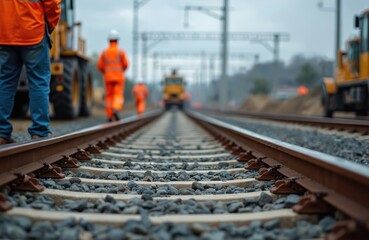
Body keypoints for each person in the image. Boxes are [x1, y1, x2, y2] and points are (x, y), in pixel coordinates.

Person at [0, 0, 61, 144]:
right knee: (39, 83)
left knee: (4, 84)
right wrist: (49, 26)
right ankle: (39, 132)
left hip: (5, 33)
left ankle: (1, 133)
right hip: (33, 33)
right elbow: (52, 3)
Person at [97, 29, 129, 122]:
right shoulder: (121, 52)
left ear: (109, 40)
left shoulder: (104, 52)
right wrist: (120, 71)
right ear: (117, 40)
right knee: (118, 95)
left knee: (109, 96)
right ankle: (115, 108)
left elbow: (99, 65)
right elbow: (126, 64)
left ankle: (109, 116)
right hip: (119, 78)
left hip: (108, 78)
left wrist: (106, 72)